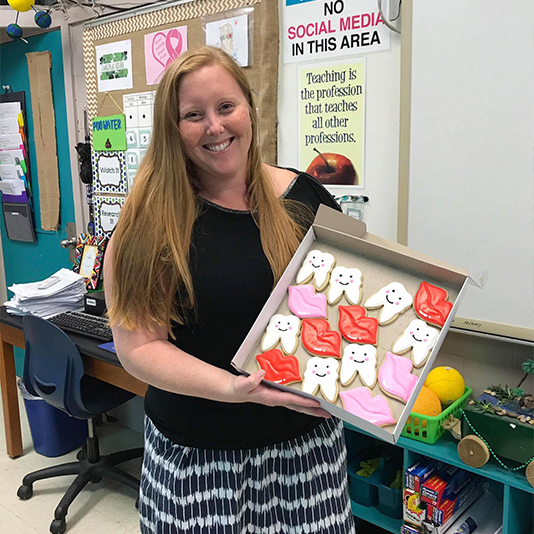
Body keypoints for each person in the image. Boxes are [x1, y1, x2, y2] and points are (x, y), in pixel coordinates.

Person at [104, 46, 356, 534]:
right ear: (171, 129)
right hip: (199, 464)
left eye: (225, 107)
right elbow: (138, 347)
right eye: (193, 115)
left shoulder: (305, 196)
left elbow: (346, 298)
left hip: (308, 451)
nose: (215, 127)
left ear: (249, 108)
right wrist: (234, 389)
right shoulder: (149, 223)